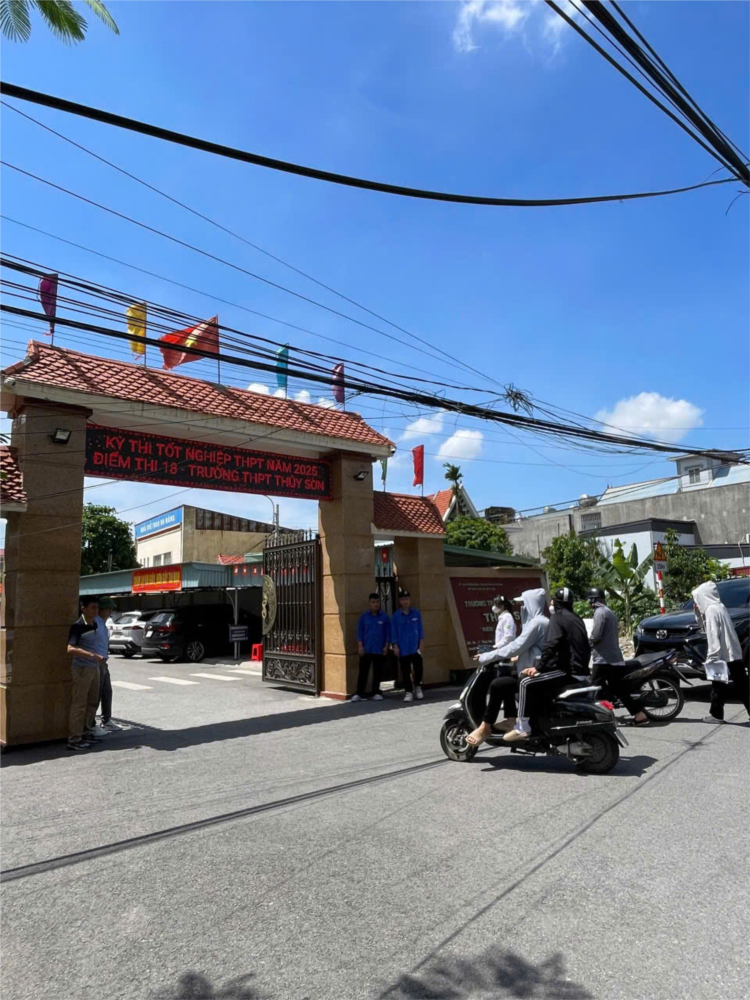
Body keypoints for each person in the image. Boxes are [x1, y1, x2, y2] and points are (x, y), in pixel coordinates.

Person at [504, 586, 590, 743]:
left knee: (524, 681)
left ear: (556, 603)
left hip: (568, 671)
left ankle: (523, 727)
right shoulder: (576, 618)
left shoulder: (557, 618)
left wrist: (538, 667)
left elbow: (552, 644)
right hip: (582, 670)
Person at [466, 588, 550, 746]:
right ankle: (511, 720)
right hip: (530, 670)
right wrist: (516, 657)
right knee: (506, 682)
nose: (522, 608)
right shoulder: (543, 621)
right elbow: (531, 648)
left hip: (531, 675)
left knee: (497, 685)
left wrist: (487, 656)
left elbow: (515, 646)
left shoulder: (536, 623)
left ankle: (485, 728)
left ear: (531, 604)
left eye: (524, 604)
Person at [587, 588, 649, 728]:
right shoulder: (608, 611)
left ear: (592, 600)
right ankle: (637, 714)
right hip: (612, 657)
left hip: (604, 659)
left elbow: (596, 635)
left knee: (594, 686)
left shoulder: (599, 612)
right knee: (616, 688)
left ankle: (602, 715)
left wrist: (587, 642)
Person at [693, 581, 750, 724]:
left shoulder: (711, 610)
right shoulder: (719, 606)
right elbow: (704, 626)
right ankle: (716, 715)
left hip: (721, 654)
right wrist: (698, 612)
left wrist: (712, 657)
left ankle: (717, 715)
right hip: (732, 652)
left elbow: (713, 635)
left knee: (720, 686)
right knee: (739, 685)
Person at [66, 597, 107, 751]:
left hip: (94, 667)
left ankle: (86, 732)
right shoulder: (78, 626)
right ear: (83, 609)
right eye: (92, 607)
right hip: (82, 668)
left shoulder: (95, 623)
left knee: (92, 702)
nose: (96, 610)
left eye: (97, 607)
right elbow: (70, 648)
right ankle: (74, 740)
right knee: (79, 704)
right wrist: (91, 655)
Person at [353, 593, 390, 703]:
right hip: (366, 649)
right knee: (363, 672)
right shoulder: (364, 617)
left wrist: (386, 646)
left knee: (378, 672)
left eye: (377, 602)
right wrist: (360, 646)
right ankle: (359, 693)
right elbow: (360, 632)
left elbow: (388, 634)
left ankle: (376, 692)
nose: (376, 604)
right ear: (369, 603)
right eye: (373, 602)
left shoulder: (384, 617)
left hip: (379, 649)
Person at [391, 589, 425, 702]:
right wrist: (395, 646)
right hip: (403, 647)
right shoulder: (396, 616)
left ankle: (418, 687)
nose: (405, 601)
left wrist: (421, 642)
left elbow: (420, 629)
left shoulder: (416, 613)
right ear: (399, 601)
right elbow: (393, 632)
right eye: (403, 599)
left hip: (415, 647)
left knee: (418, 669)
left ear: (410, 600)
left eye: (407, 599)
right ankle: (408, 692)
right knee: (405, 671)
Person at [96, 597, 121, 731]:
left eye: (111, 609)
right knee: (96, 694)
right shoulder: (95, 623)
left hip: (103, 662)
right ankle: (92, 724)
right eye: (108, 608)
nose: (111, 611)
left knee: (107, 692)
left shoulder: (103, 624)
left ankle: (106, 720)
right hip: (96, 662)